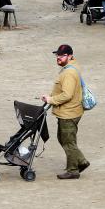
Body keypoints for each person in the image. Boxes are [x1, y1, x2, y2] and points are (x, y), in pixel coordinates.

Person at [41, 44, 90, 179]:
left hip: (69, 113)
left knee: (68, 141)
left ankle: (73, 170)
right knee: (63, 138)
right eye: (57, 55)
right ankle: (80, 161)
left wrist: (51, 99)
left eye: (62, 56)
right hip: (71, 111)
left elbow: (67, 95)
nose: (58, 58)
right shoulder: (72, 67)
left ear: (70, 56)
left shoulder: (69, 73)